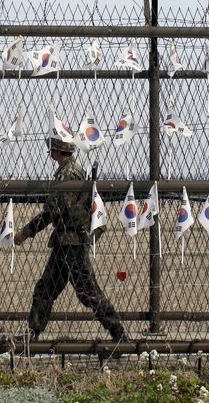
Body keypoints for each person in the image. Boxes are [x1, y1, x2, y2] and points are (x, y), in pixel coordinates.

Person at [13, 137, 128, 344]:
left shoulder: (68, 173)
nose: (49, 151)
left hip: (72, 241)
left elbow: (53, 210)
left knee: (88, 292)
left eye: (51, 148)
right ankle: (32, 333)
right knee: (46, 288)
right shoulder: (68, 170)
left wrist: (27, 232)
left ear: (57, 151)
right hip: (64, 241)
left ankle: (118, 332)